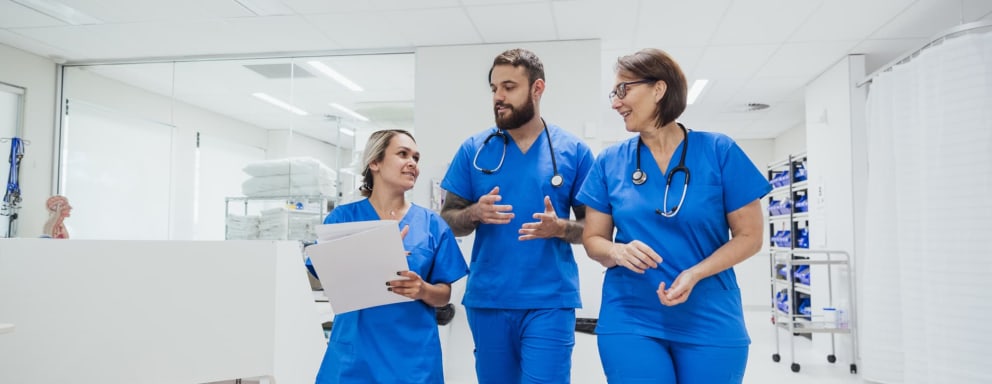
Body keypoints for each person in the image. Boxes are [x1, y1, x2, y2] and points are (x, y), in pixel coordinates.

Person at [576, 48, 771, 383]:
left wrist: (695, 273)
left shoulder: (718, 151)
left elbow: (750, 237)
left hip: (710, 314)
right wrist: (617, 251)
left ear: (658, 89)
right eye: (614, 92)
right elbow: (593, 240)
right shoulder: (609, 162)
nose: (615, 102)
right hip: (631, 316)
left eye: (623, 90)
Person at [440, 48, 594, 383]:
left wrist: (560, 228)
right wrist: (474, 213)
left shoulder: (573, 151)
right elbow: (448, 219)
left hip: (549, 299)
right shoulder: (474, 149)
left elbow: (594, 229)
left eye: (509, 87)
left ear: (537, 89)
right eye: (494, 88)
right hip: (489, 298)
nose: (498, 96)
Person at [315, 129, 468, 384]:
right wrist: (371, 251)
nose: (412, 163)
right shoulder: (342, 219)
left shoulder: (432, 224)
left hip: (412, 358)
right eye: (402, 154)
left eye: (416, 158)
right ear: (374, 162)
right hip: (355, 354)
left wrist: (422, 289)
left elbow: (444, 293)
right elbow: (327, 278)